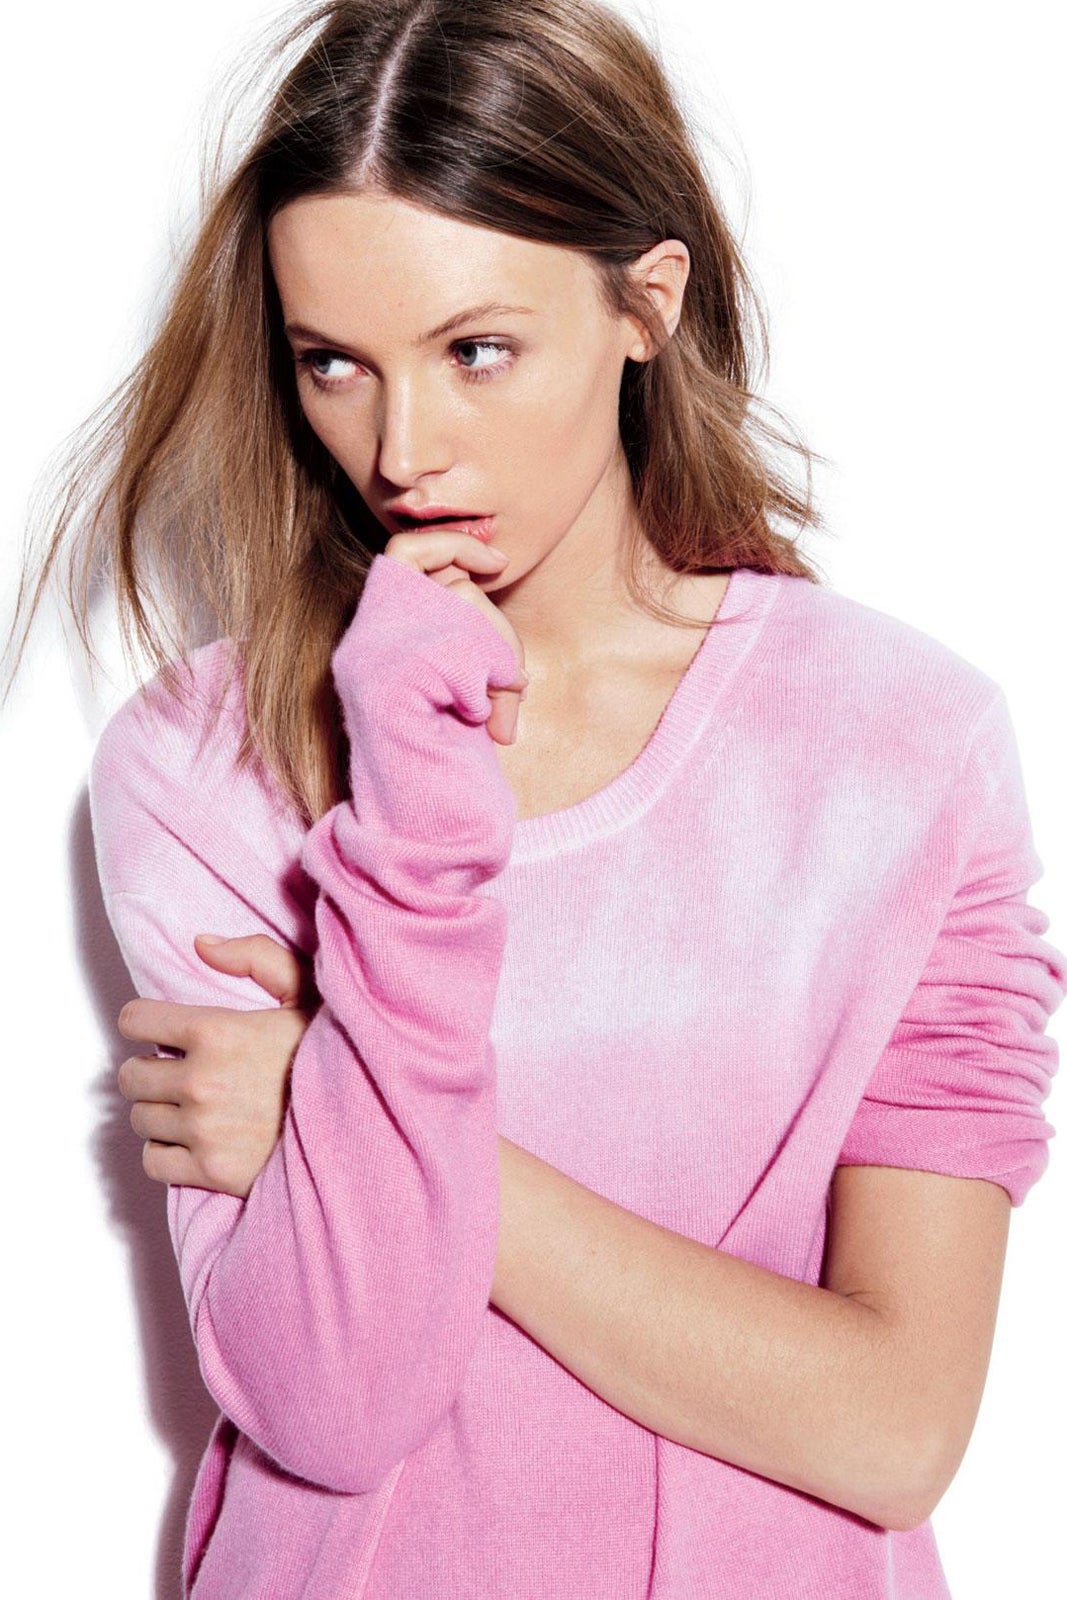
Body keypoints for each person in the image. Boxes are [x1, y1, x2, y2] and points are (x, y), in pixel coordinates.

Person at [5, 2, 1064, 1596]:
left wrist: (343, 1114)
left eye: (475, 350)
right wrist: (413, 785)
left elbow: (894, 1427)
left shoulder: (901, 747)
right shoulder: (206, 758)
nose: (402, 449)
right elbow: (333, 1403)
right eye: (333, 364)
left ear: (647, 304)